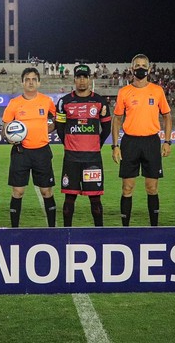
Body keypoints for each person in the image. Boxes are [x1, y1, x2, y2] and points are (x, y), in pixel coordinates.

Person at [111, 54, 172, 227]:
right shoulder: (124, 92)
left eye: (143, 65)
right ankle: (125, 229)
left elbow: (167, 117)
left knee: (152, 187)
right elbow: (117, 119)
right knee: (127, 187)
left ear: (149, 69)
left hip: (151, 142)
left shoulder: (157, 91)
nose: (140, 68)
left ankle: (154, 228)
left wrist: (167, 141)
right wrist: (115, 146)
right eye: (137, 65)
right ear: (131, 69)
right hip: (129, 143)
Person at [55, 64, 111, 227]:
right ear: (74, 79)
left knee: (95, 200)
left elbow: (106, 128)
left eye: (85, 77)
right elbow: (59, 127)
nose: (81, 80)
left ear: (89, 79)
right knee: (69, 199)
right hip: (71, 157)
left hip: (92, 158)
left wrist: (96, 145)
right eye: (78, 77)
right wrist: (67, 143)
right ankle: (67, 233)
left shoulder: (99, 101)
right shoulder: (64, 101)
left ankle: (99, 232)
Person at [2, 67, 57, 227]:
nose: (30, 82)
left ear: (39, 82)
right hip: (21, 152)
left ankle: (52, 228)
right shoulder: (14, 103)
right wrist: (10, 137)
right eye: (27, 79)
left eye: (34, 79)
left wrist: (47, 129)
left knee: (46, 191)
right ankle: (14, 229)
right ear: (22, 82)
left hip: (42, 151)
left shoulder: (47, 101)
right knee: (18, 192)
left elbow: (55, 122)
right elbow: (5, 128)